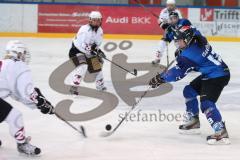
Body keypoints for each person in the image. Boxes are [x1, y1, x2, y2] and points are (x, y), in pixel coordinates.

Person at [149, 26, 231, 145]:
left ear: (187, 39)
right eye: (176, 41)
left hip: (218, 76)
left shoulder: (189, 56)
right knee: (189, 91)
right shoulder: (197, 37)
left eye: (179, 41)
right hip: (212, 72)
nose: (177, 44)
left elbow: (177, 73)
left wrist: (160, 78)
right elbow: (192, 29)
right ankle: (194, 121)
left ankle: (220, 131)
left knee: (206, 103)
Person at [0, 40, 54, 155]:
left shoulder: (5, 63)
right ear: (18, 53)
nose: (24, 56)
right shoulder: (19, 65)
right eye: (23, 53)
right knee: (15, 116)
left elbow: (17, 95)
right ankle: (22, 144)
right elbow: (26, 91)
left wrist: (39, 103)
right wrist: (41, 102)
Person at [69, 11, 106, 95]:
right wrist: (93, 50)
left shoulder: (100, 31)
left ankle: (100, 86)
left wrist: (98, 50)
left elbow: (97, 44)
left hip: (89, 53)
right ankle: (73, 87)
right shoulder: (84, 29)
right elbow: (83, 45)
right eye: (94, 20)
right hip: (76, 51)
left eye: (98, 20)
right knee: (83, 66)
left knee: (97, 67)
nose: (96, 22)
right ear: (90, 20)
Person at [152, 0, 182, 65]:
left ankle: (184, 61)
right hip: (168, 32)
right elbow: (159, 21)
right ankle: (157, 58)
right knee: (161, 44)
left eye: (171, 5)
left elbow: (180, 23)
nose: (170, 7)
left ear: (174, 5)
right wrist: (164, 26)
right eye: (168, 5)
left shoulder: (177, 12)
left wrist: (171, 24)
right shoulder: (163, 11)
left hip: (176, 32)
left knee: (180, 46)